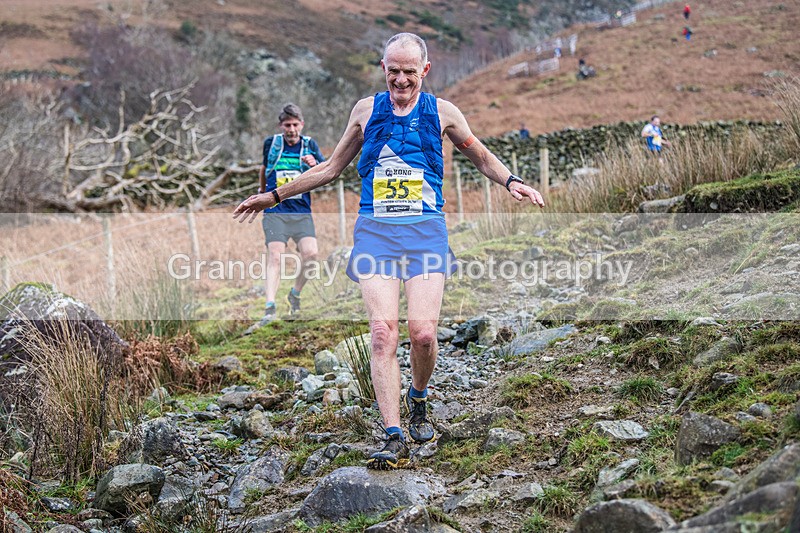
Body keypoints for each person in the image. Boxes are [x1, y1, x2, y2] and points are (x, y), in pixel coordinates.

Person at [233, 32, 545, 470]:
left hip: (425, 233)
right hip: (376, 233)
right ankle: (393, 432)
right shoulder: (365, 110)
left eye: (409, 72)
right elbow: (330, 168)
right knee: (382, 333)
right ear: (383, 68)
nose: (401, 80)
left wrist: (512, 182)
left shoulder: (443, 112)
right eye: (393, 71)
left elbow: (481, 156)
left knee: (423, 335)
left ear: (425, 71)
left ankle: (418, 397)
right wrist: (275, 195)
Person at [249, 103, 325, 331]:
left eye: (295, 125)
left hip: (301, 211)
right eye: (287, 125)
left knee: (311, 255)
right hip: (276, 212)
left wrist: (315, 164)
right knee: (275, 256)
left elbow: (327, 169)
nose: (291, 129)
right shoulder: (271, 145)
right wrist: (262, 193)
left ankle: (295, 294)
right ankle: (270, 306)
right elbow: (264, 168)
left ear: (301, 124)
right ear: (281, 126)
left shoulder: (310, 145)